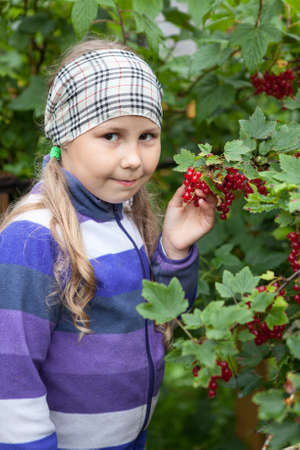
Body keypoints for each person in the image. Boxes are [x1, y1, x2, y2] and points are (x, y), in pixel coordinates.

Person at [0, 39, 216, 450]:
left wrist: (173, 249)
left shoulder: (126, 214)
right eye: (112, 135)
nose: (134, 158)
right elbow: (9, 376)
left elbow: (164, 317)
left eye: (147, 136)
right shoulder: (33, 237)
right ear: (65, 137)